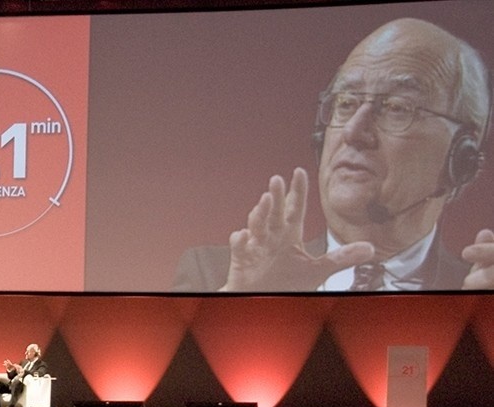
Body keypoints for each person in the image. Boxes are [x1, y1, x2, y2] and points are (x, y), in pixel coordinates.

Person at [174, 18, 493, 292]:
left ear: (461, 157)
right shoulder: (213, 277)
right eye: (346, 103)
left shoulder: (479, 292)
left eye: (397, 108)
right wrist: (249, 309)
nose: (353, 131)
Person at [0, 343, 49, 407]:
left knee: (18, 382)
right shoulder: (23, 362)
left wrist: (24, 372)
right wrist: (10, 369)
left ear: (34, 353)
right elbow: (11, 377)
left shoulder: (41, 364)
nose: (25, 353)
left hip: (22, 387)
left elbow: (39, 373)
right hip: (11, 385)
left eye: (28, 351)